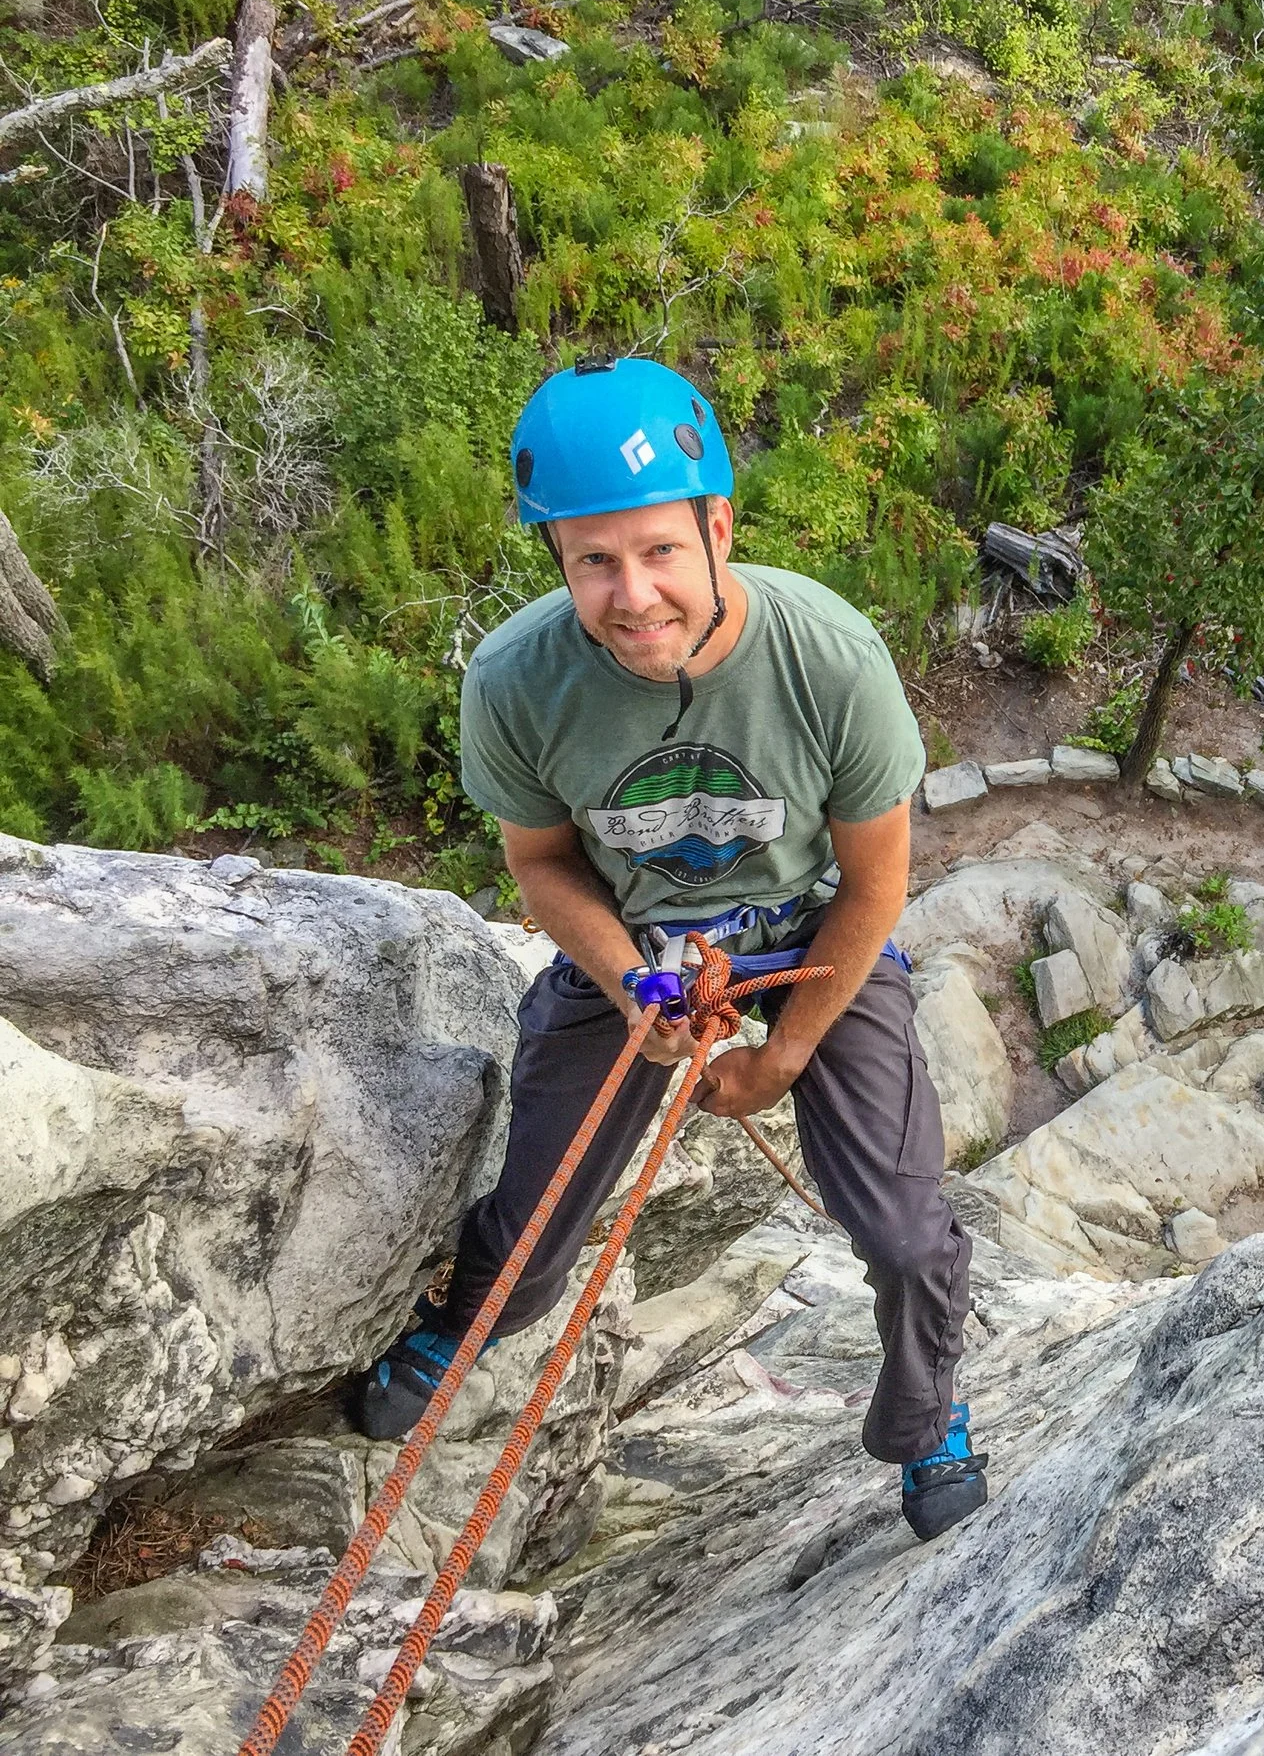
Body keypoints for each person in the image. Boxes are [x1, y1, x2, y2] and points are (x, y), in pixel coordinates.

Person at [352, 357, 985, 1542]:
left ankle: (926, 1412)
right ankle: (467, 1317)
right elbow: (542, 865)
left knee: (904, 1235)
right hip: (638, 948)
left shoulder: (826, 659)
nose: (633, 595)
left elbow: (879, 877)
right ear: (558, 561)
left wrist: (786, 1052)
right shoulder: (517, 682)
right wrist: (632, 981)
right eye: (594, 561)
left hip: (805, 933)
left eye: (657, 552)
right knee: (538, 1215)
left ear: (718, 527)